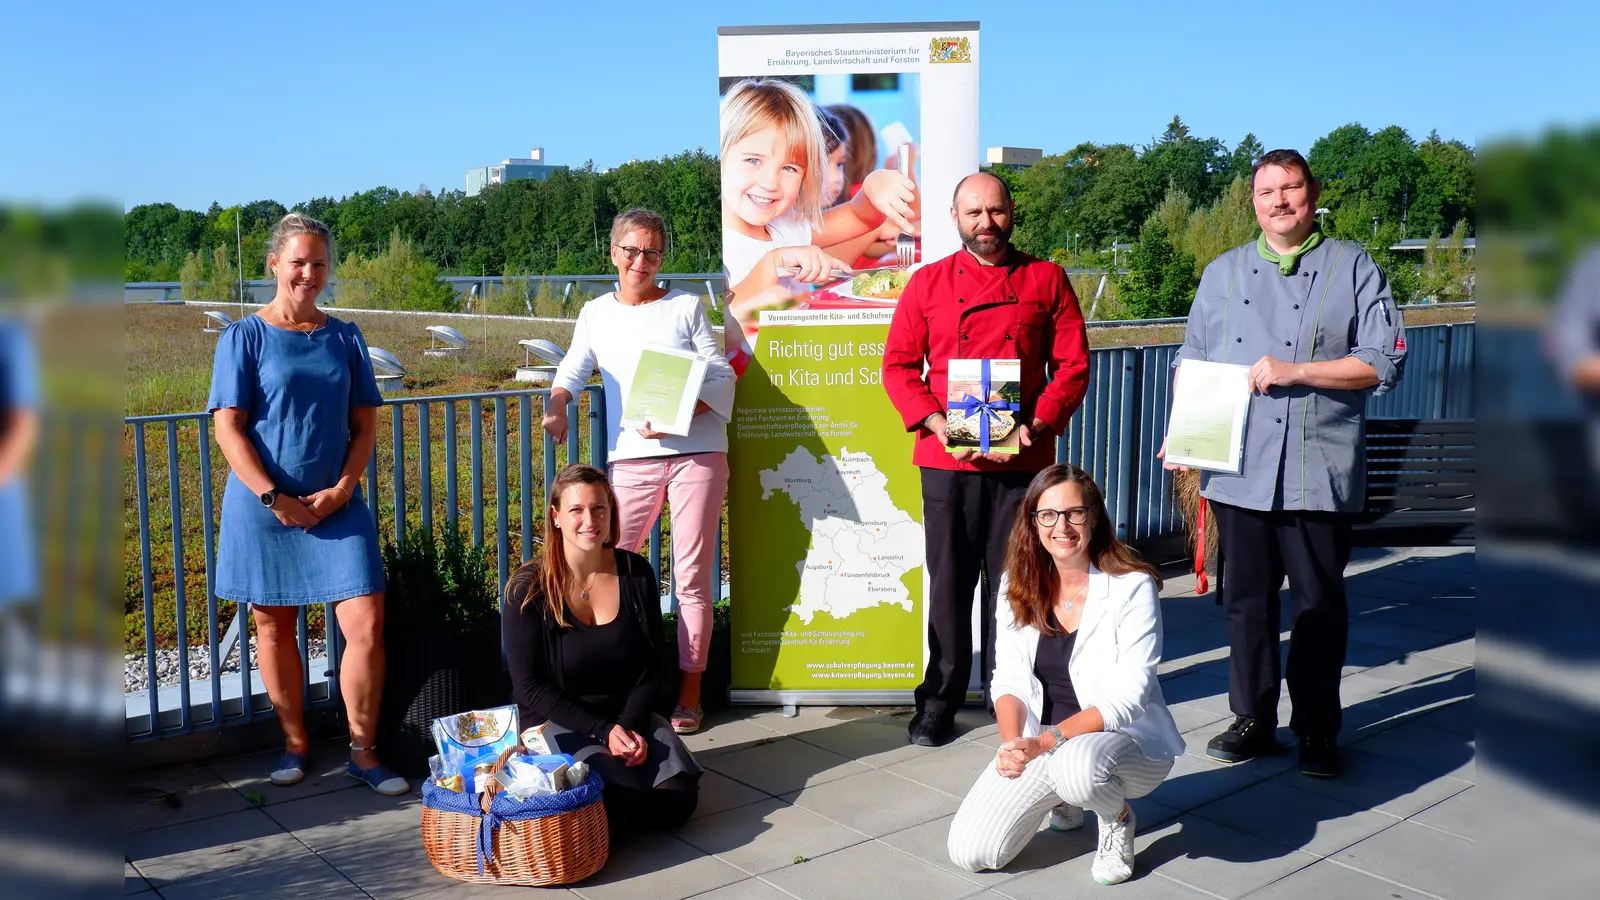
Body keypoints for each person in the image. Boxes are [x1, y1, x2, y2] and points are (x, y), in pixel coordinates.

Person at [1163, 149, 1406, 778]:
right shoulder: (1222, 272)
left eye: (1290, 188)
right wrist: (1184, 435)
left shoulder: (1354, 266)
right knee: (1245, 602)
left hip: (1316, 467)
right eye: (1266, 191)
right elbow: (1192, 360)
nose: (1279, 201)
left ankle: (1317, 728)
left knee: (1318, 605)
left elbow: (1382, 362)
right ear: (1253, 202)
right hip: (1238, 468)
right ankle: (1251, 717)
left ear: (1312, 193)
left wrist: (1296, 371)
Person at [882, 172, 1091, 747]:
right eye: (973, 213)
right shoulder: (927, 283)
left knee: (1016, 585)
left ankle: (1013, 696)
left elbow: (1073, 365)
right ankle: (939, 700)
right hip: (946, 461)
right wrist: (935, 422)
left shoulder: (1046, 278)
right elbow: (898, 366)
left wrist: (1037, 424)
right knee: (948, 584)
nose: (986, 223)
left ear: (1011, 210)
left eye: (995, 210)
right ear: (955, 217)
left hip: (1023, 462)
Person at [207, 213, 406, 795]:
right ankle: (294, 745)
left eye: (319, 263)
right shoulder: (243, 337)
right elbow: (228, 428)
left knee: (366, 624)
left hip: (337, 505)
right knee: (274, 629)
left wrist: (342, 489)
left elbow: (364, 426)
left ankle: (364, 752)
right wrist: (274, 497)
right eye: (298, 262)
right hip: (263, 509)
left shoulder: (345, 337)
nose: (308, 274)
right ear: (275, 263)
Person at [543, 208, 736, 734]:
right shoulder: (595, 314)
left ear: (662, 257)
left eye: (652, 251)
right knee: (605, 567)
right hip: (630, 456)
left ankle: (689, 694)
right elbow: (572, 369)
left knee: (691, 576)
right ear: (613, 252)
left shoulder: (685, 307)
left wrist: (682, 414)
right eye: (631, 250)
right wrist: (558, 405)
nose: (640, 261)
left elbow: (721, 377)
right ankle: (613, 686)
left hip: (698, 454)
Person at [946, 465, 1182, 885]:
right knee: (973, 853)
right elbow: (1009, 678)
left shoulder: (1131, 586)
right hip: (1044, 740)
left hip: (1125, 743)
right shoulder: (1017, 583)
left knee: (1077, 768)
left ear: (1094, 516)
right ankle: (1064, 798)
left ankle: (1116, 818)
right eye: (1048, 514)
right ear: (1033, 522)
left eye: (1075, 512)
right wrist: (1014, 745)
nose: (1062, 526)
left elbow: (1129, 698)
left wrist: (1047, 741)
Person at [502, 464, 701, 831]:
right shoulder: (528, 589)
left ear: (611, 512)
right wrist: (603, 730)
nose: (589, 520)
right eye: (576, 510)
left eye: (599, 508)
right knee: (619, 801)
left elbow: (654, 665)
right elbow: (529, 687)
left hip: (624, 715)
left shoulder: (636, 572)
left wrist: (627, 726)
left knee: (678, 800)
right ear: (556, 516)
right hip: (558, 720)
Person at [718, 78, 917, 371]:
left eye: (789, 167)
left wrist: (874, 185)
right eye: (753, 160)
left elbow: (859, 217)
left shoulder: (785, 227)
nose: (771, 182)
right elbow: (720, 323)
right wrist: (772, 264)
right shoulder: (711, 240)